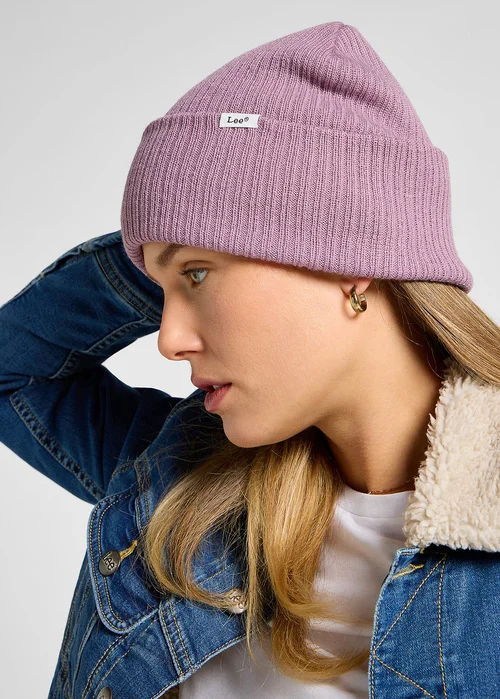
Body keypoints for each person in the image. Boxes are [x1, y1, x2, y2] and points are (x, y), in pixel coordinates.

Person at [1, 19, 499, 699]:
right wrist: (167, 244)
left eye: (197, 274)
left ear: (350, 261)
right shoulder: (179, 479)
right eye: (159, 291)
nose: (168, 339)